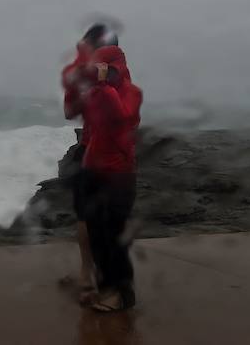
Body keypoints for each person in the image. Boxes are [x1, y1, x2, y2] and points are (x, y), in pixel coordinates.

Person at [78, 38, 143, 312]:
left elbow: (121, 120)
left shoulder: (132, 92)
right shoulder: (97, 92)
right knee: (98, 237)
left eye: (106, 67)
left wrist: (104, 86)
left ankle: (122, 294)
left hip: (118, 175)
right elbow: (92, 130)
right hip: (93, 171)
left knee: (115, 237)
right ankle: (106, 289)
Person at [60, 24, 118, 301]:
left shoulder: (108, 76)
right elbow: (71, 112)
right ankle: (91, 273)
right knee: (95, 215)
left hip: (97, 154)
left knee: (89, 216)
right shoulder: (109, 76)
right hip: (109, 153)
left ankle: (90, 277)